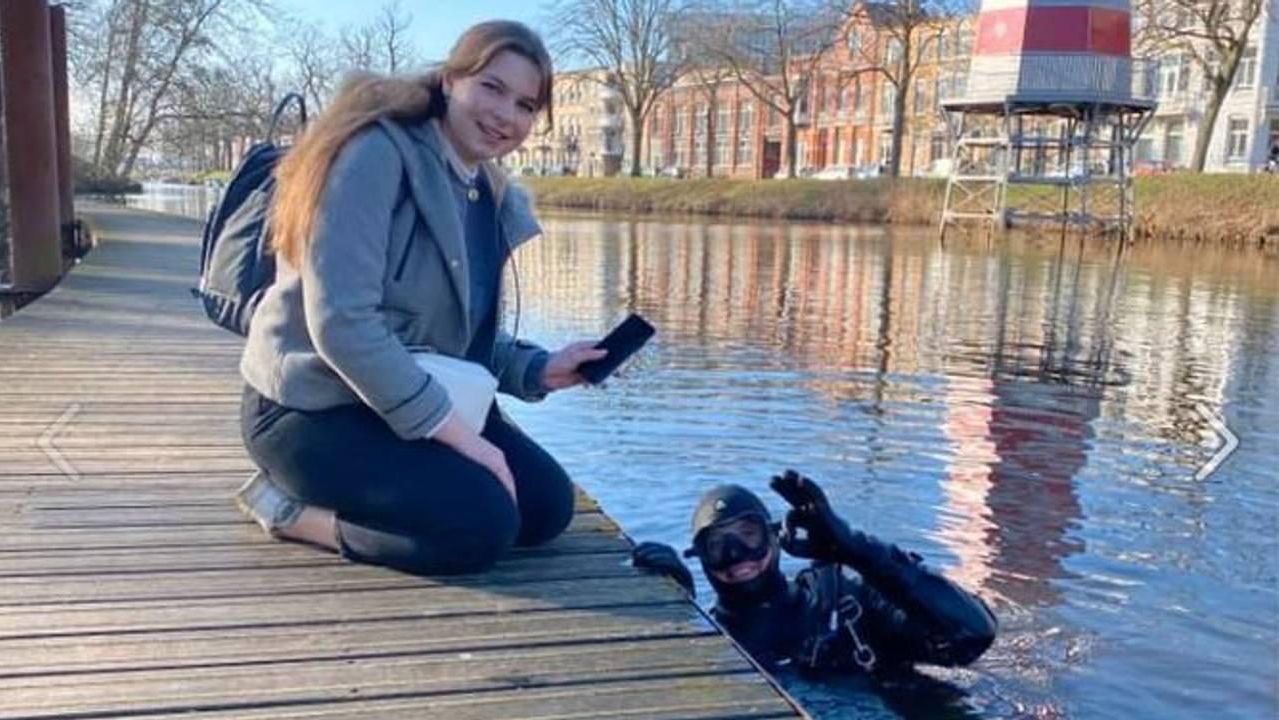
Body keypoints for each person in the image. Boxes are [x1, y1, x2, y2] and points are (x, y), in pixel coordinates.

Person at [235, 21, 606, 576]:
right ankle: (290, 511)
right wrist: (472, 445)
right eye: (492, 88)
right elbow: (343, 324)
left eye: (527, 105)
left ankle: (402, 486)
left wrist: (539, 368)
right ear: (451, 79)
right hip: (310, 409)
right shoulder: (374, 154)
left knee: (546, 510)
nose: (507, 116)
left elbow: (450, 332)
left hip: (396, 399)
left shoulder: (484, 191)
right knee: (480, 526)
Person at [632, 470, 998, 674]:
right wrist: (677, 613)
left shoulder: (844, 601)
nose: (737, 556)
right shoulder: (711, 637)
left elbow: (974, 634)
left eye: (749, 536)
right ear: (700, 558)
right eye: (718, 546)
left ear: (775, 538)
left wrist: (858, 550)